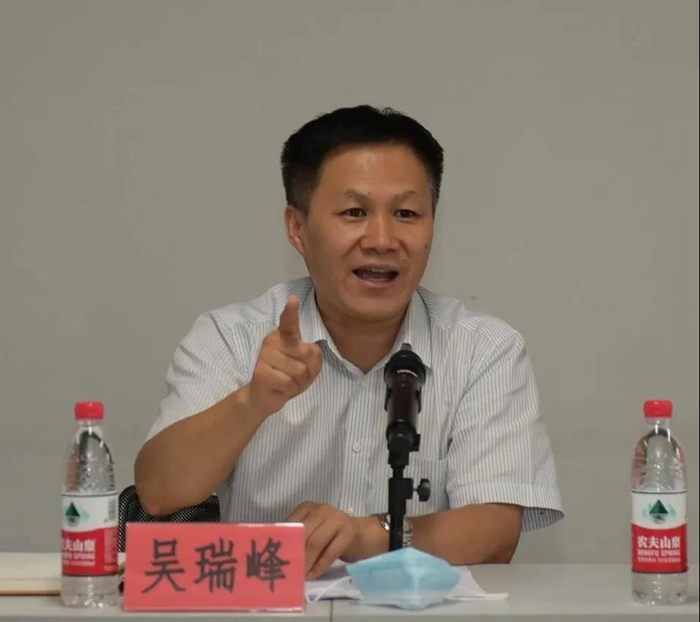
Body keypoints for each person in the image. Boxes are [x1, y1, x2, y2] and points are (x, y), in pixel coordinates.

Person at [135, 105, 564, 580]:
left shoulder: (483, 349)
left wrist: (367, 535)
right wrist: (251, 402)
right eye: (354, 212)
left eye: (406, 213)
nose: (382, 239)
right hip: (270, 608)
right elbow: (159, 491)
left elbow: (495, 534)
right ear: (297, 228)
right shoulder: (231, 337)